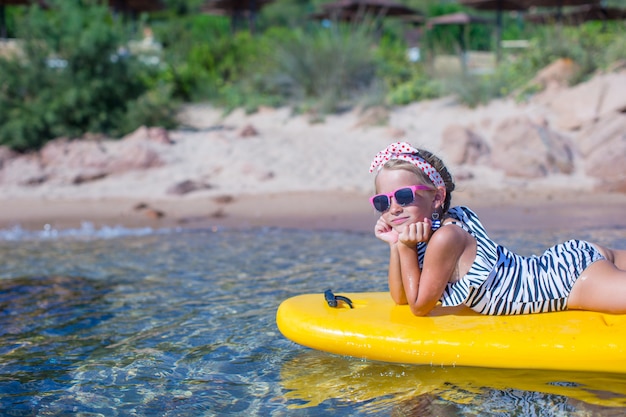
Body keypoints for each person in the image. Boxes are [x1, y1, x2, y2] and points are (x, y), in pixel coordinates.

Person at [369, 141, 626, 316]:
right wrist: (396, 245)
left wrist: (405, 247)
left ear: (436, 198)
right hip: (563, 261)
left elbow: (418, 306)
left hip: (570, 283)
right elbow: (401, 297)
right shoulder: (427, 234)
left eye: (403, 196)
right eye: (382, 201)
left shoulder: (445, 237)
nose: (393, 208)